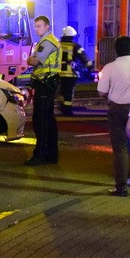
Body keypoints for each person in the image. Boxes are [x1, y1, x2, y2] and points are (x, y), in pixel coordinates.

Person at [97, 36, 130, 196]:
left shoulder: (109, 68)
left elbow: (101, 92)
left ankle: (121, 188)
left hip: (117, 110)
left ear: (116, 50)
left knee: (120, 149)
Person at [25, 15, 61, 166]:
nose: (36, 28)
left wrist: (29, 58)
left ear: (47, 26)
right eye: (35, 26)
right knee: (48, 120)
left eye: (39, 26)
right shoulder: (48, 41)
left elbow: (34, 60)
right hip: (48, 83)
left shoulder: (47, 42)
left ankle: (40, 154)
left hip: (45, 83)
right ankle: (51, 154)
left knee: (40, 121)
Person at [58, 25, 92, 116]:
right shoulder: (75, 46)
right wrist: (90, 66)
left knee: (61, 91)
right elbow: (83, 57)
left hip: (57, 73)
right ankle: (67, 110)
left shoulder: (57, 45)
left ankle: (62, 107)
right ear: (72, 36)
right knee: (69, 92)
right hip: (69, 74)